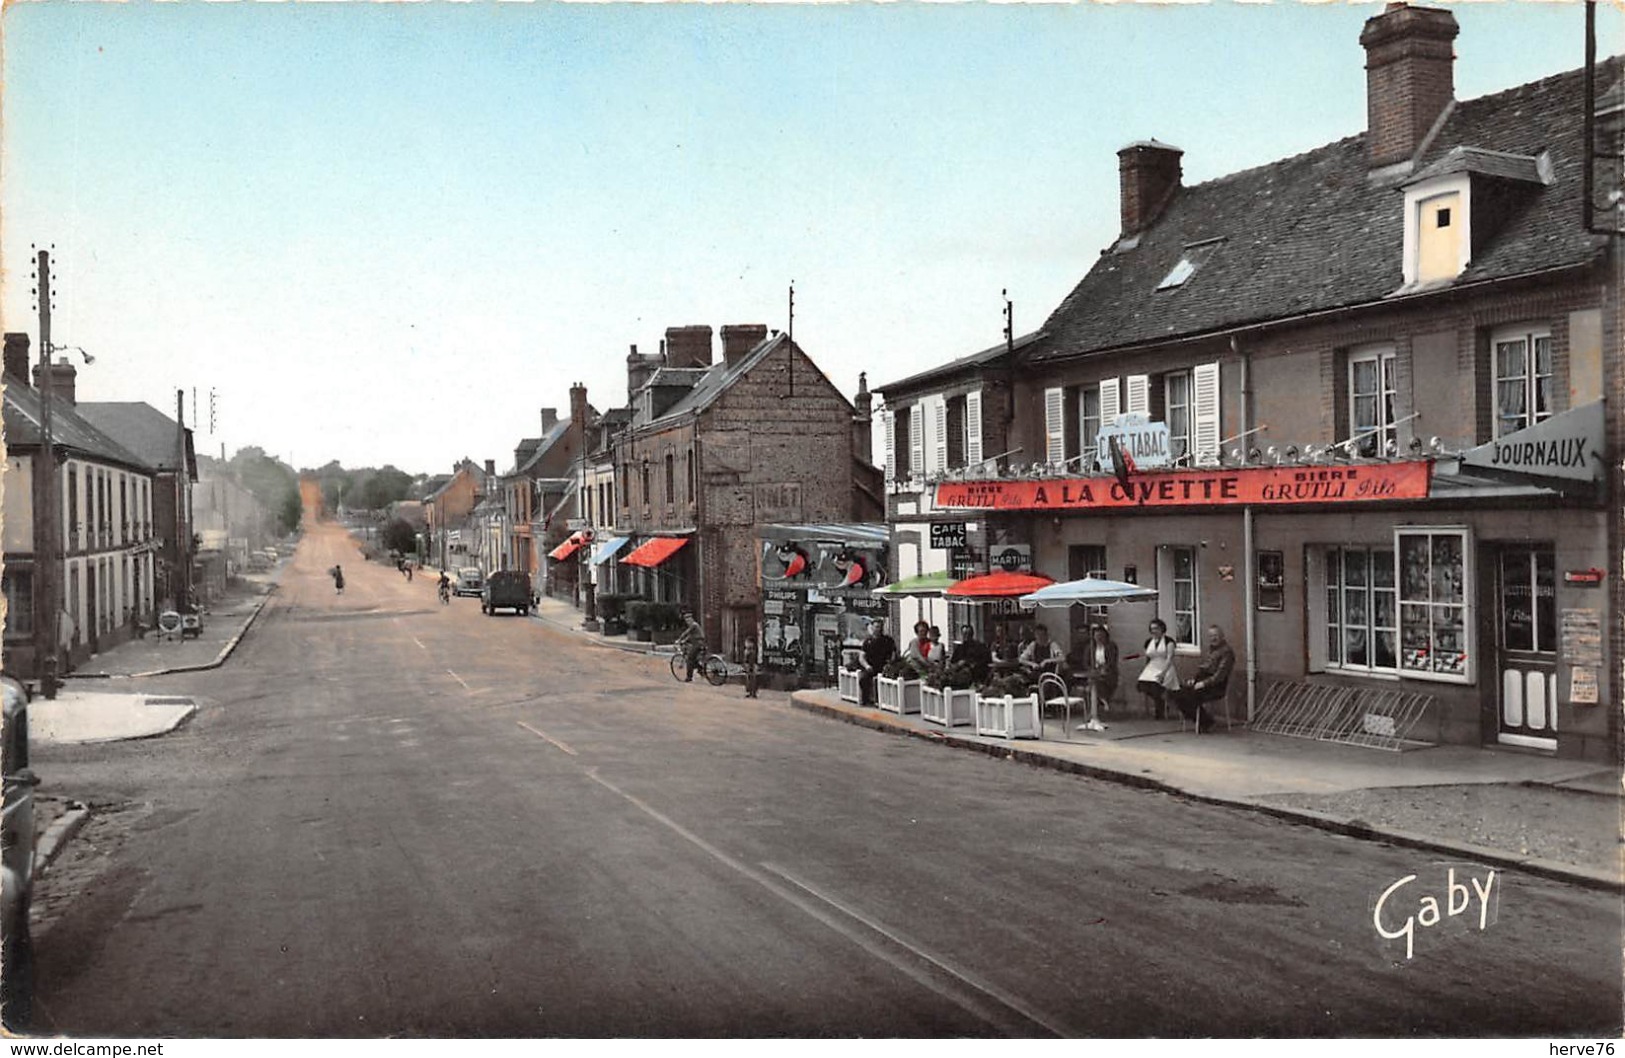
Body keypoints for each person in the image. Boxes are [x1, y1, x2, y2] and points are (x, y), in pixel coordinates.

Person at [1171, 625, 1236, 733]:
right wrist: (1194, 679)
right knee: (1177, 692)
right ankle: (1205, 721)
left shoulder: (1227, 652)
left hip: (1215, 685)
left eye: (1216, 635)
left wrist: (1203, 684)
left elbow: (1219, 675)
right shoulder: (1210, 650)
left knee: (1190, 695)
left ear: (1222, 636)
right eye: (1211, 636)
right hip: (1203, 680)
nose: (1213, 638)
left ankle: (1205, 722)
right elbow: (1203, 668)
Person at [1135, 618, 1180, 720]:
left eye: (1156, 628)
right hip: (1152, 667)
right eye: (1152, 629)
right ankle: (1161, 702)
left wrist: (1163, 673)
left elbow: (1169, 658)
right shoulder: (1148, 642)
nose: (1154, 631)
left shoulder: (1169, 641)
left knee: (1156, 686)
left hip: (1165, 667)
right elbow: (1147, 656)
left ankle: (1159, 710)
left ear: (1162, 628)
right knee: (1141, 685)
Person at [858, 619, 898, 706]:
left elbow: (894, 654)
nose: (878, 629)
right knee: (863, 679)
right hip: (871, 667)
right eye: (876, 627)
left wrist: (890, 665)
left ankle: (883, 700)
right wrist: (867, 666)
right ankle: (866, 700)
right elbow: (861, 657)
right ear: (872, 627)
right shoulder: (867, 642)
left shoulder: (888, 640)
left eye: (880, 627)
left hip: (884, 667)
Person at [1082, 625, 1120, 709]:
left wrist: (1104, 668)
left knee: (1095, 685)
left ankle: (1102, 700)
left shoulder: (1111, 646)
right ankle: (1099, 704)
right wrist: (1091, 669)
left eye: (1101, 636)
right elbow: (1086, 662)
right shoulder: (1090, 647)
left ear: (1105, 636)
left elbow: (1112, 661)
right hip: (1094, 673)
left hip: (1108, 674)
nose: (1098, 638)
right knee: (1092, 683)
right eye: (1096, 636)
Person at [675, 610, 707, 682]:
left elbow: (686, 632)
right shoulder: (694, 627)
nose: (687, 621)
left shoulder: (694, 625)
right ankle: (700, 669)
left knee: (689, 659)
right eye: (686, 620)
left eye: (689, 620)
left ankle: (689, 677)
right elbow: (689, 636)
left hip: (698, 644)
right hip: (700, 643)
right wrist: (683, 641)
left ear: (691, 619)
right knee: (693, 658)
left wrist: (679, 639)